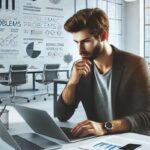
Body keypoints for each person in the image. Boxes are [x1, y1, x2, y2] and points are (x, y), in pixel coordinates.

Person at [56, 8, 150, 137]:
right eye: (76, 42)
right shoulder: (81, 67)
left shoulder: (135, 64)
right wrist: (71, 83)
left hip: (130, 140)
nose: (80, 50)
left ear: (104, 36)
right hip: (98, 141)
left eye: (86, 41)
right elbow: (62, 115)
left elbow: (146, 117)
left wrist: (105, 127)